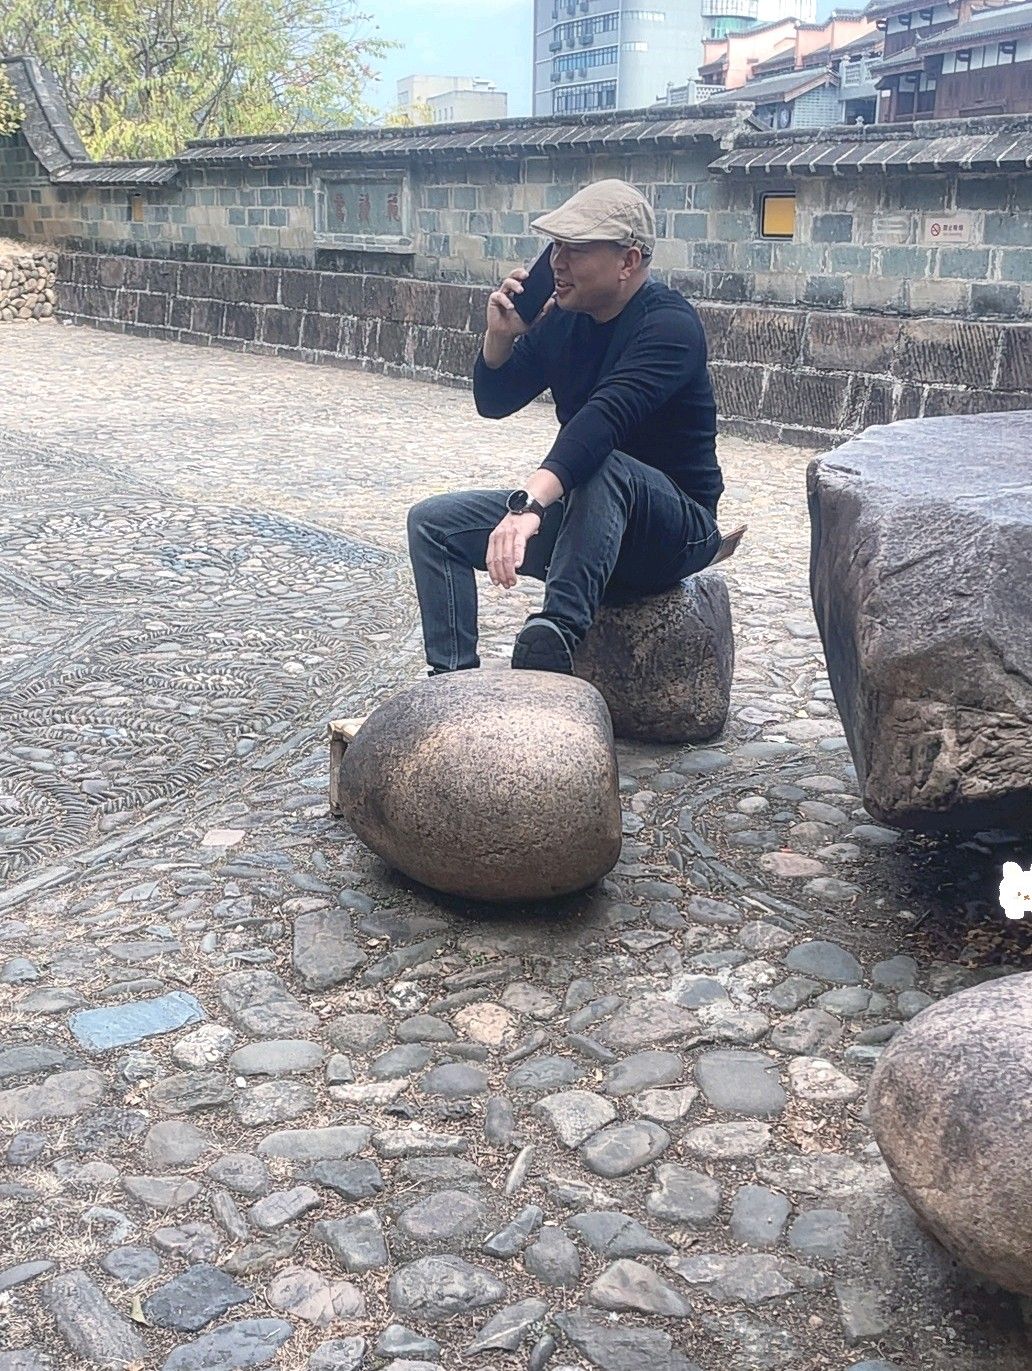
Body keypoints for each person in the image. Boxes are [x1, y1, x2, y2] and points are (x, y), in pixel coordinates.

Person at [407, 178, 725, 677]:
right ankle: (452, 681)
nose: (557, 262)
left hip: (671, 532)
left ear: (628, 261)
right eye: (555, 246)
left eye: (575, 249)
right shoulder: (563, 320)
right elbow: (495, 400)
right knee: (433, 524)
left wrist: (528, 507)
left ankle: (556, 632)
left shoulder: (670, 326)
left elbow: (602, 422)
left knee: (603, 465)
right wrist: (500, 336)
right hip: (586, 527)